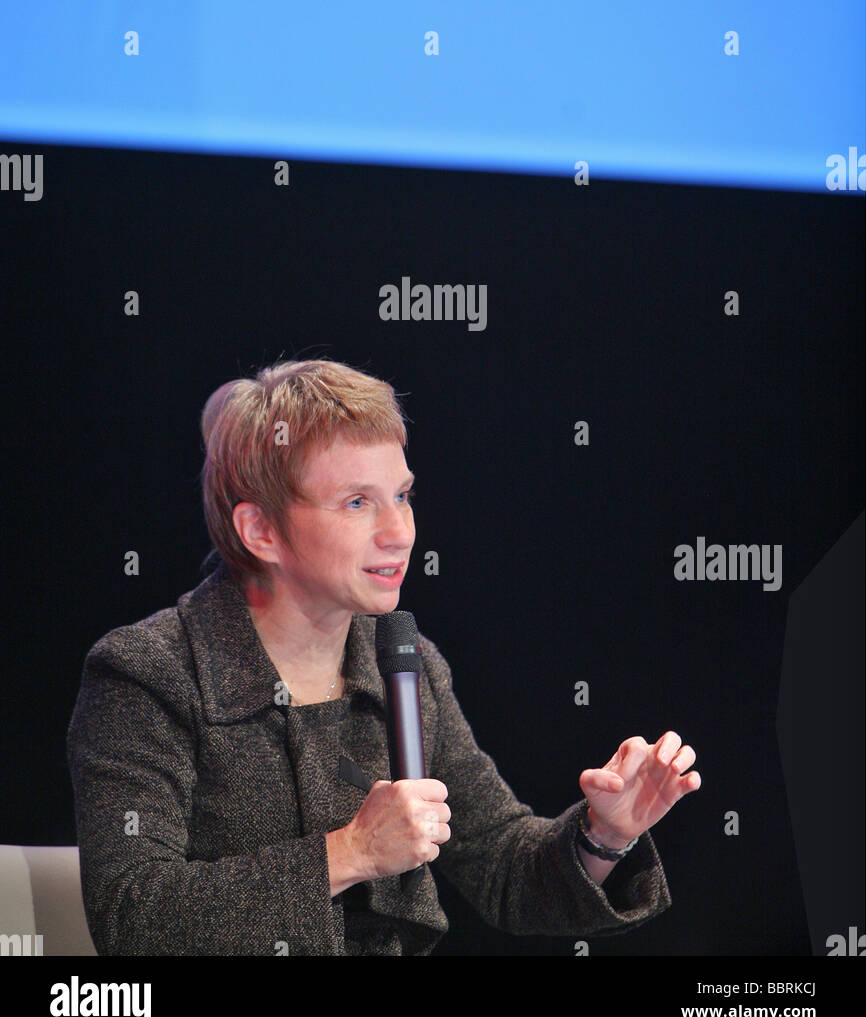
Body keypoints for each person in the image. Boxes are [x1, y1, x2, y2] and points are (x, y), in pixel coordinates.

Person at [67, 358, 700, 956]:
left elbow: (504, 868)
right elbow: (135, 916)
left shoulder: (404, 662)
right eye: (356, 502)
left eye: (402, 495)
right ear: (260, 531)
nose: (400, 531)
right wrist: (351, 853)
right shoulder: (147, 674)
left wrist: (604, 833)